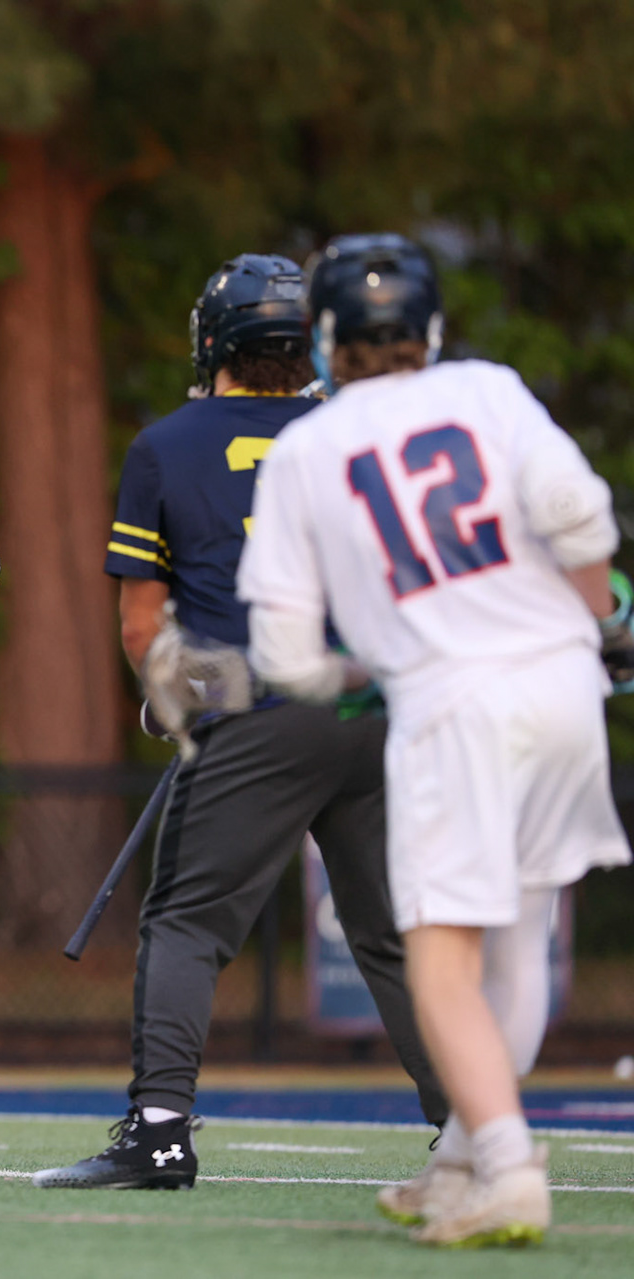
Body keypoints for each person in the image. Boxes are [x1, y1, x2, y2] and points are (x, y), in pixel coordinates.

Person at [239, 232, 631, 1246]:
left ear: (325, 336)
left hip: (454, 707)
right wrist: (605, 624)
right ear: (431, 328)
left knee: (445, 963)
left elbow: (285, 655)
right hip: (564, 684)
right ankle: (460, 1159)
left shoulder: (307, 451)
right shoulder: (490, 390)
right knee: (520, 941)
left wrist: (365, 673)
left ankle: (507, 1165)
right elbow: (584, 523)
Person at [33, 254, 447, 1192]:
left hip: (261, 708)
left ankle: (158, 1132)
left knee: (185, 922)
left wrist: (186, 699)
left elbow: (142, 626)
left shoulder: (166, 445)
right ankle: (469, 1124)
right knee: (390, 931)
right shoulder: (355, 431)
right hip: (374, 707)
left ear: (213, 342)